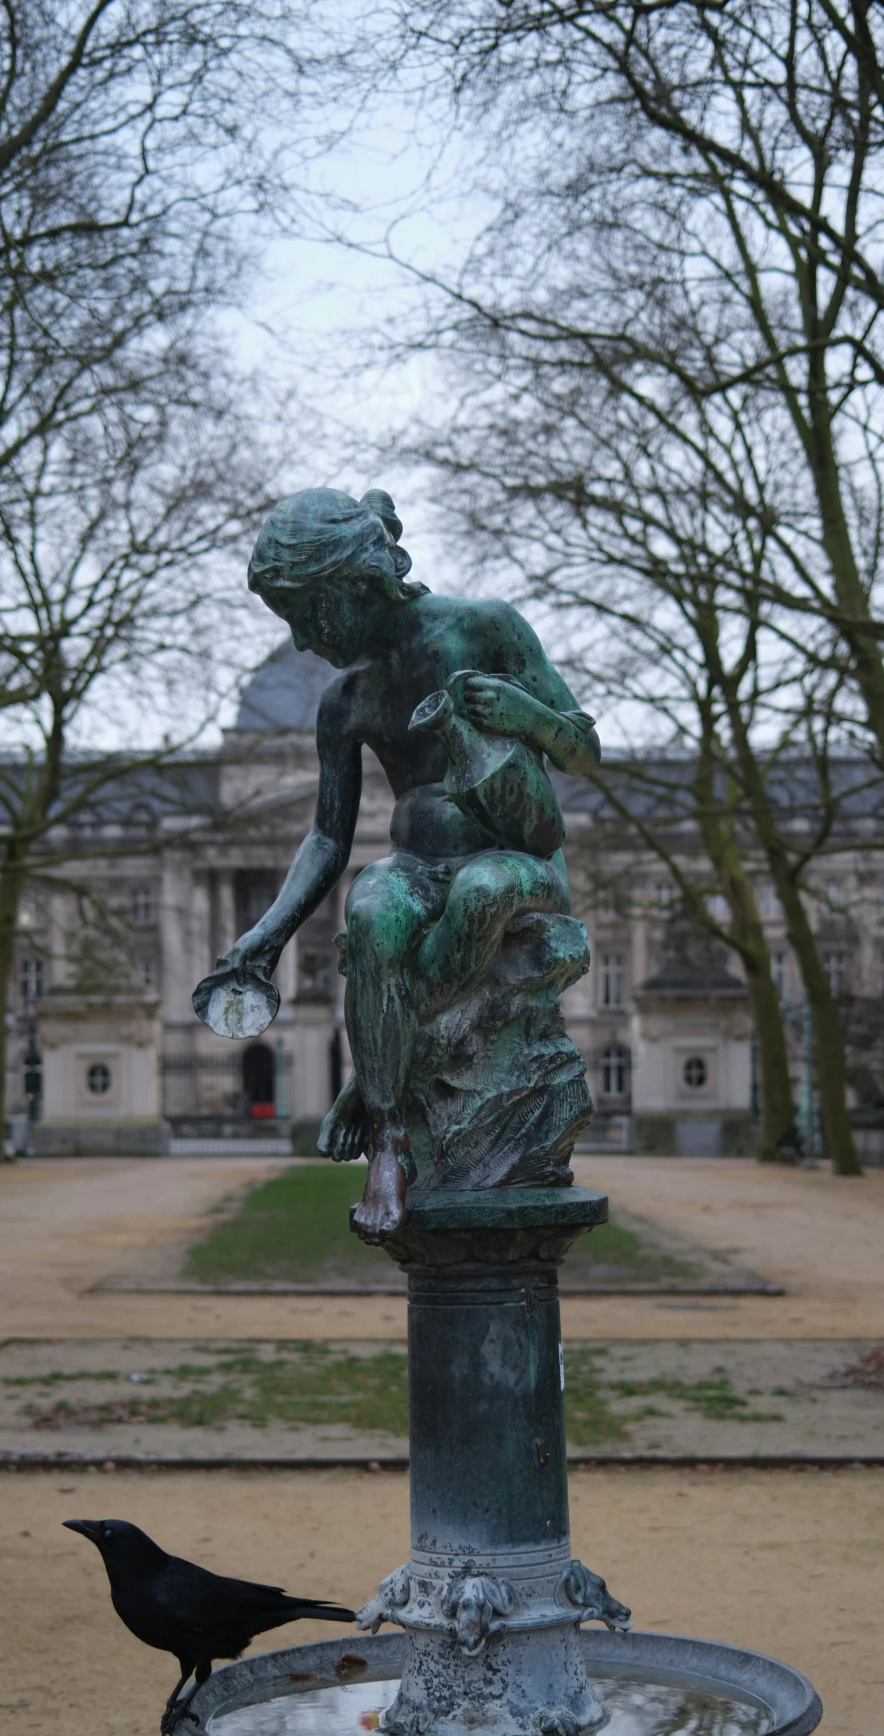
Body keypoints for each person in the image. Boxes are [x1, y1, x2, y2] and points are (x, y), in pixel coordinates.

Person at [194, 488, 601, 1237]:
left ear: (354, 585)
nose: (304, 641)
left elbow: (582, 748)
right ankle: (387, 1139)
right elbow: (326, 838)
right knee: (374, 905)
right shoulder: (345, 698)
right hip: (416, 867)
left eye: (306, 615)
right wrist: (268, 935)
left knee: (481, 889)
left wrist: (524, 716)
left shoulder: (486, 627)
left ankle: (381, 1068)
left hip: (515, 860)